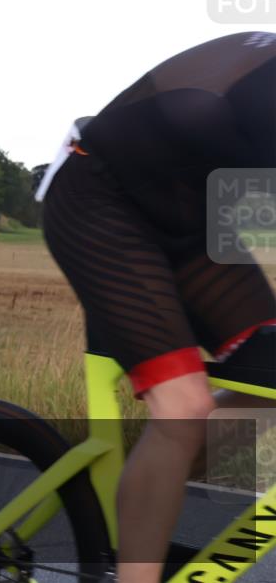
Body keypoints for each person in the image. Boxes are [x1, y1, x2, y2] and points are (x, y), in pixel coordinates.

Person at [37, 31, 276, 583]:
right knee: (184, 409)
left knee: (267, 380)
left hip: (187, 224)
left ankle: (145, 499)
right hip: (98, 199)